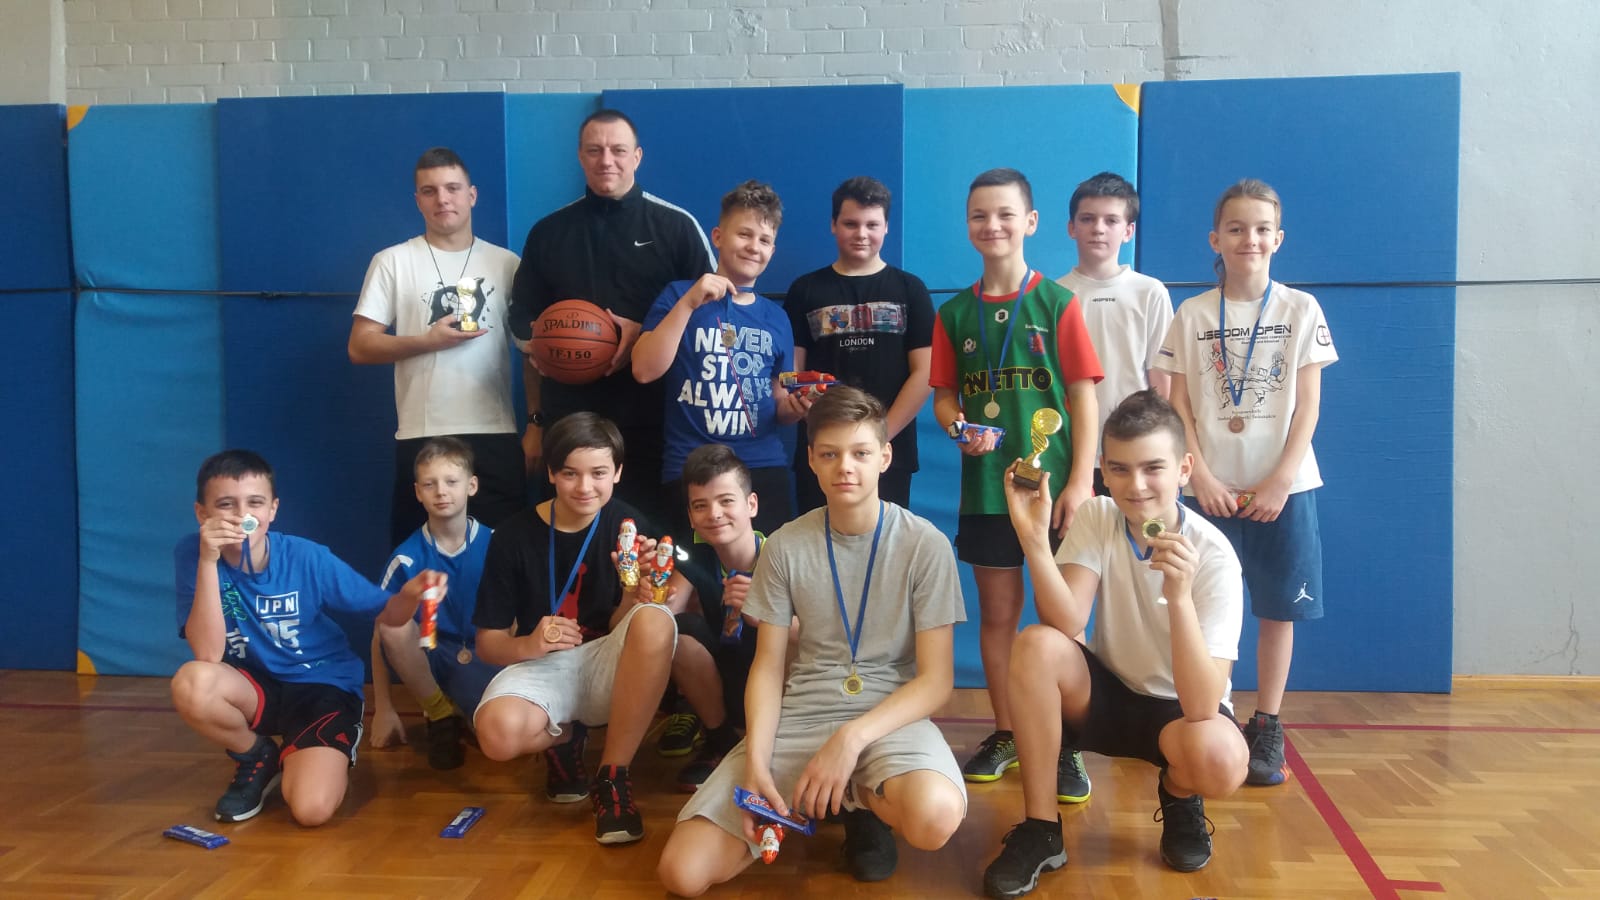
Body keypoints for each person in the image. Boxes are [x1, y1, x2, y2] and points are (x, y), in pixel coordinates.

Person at [657, 386, 967, 896]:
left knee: (934, 818)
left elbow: (936, 682)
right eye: (830, 454)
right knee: (682, 874)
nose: (845, 467)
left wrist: (850, 740)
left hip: (888, 718)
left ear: (885, 457)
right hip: (801, 715)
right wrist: (756, 764)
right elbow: (768, 667)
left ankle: (856, 798)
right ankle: (805, 799)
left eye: (861, 453)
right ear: (811, 460)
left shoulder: (925, 544)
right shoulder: (783, 546)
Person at [981, 390, 1248, 898]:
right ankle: (1041, 829)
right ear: (1103, 469)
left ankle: (1179, 795)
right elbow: (1066, 621)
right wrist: (1033, 539)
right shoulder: (1098, 516)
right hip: (1107, 697)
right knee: (1036, 644)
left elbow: (1200, 706)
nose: (1136, 485)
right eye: (1121, 469)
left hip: (1180, 712)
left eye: (1153, 468)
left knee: (1221, 759)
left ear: (1184, 469)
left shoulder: (1214, 557)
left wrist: (1179, 597)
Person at [1154, 178, 1337, 787]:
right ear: (1216, 239)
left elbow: (1308, 405)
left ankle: (1268, 722)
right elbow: (1178, 406)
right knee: (1209, 604)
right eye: (1236, 228)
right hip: (1210, 489)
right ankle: (1217, 712)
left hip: (1283, 488)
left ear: (1278, 239)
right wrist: (1201, 475)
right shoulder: (1193, 314)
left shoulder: (1300, 309)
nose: (1249, 239)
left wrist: (1281, 480)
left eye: (1261, 229)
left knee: (1278, 609)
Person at [928, 168, 1102, 796]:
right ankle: (1006, 732)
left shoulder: (1057, 304)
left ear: (1030, 222)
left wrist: (1081, 481)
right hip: (986, 489)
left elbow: (1084, 397)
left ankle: (1066, 746)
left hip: (1052, 492)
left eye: (1005, 214)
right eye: (980, 215)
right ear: (968, 225)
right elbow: (944, 398)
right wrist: (958, 428)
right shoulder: (953, 313)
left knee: (1064, 623)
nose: (992, 225)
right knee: (998, 616)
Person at [171, 450, 444, 826]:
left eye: (255, 502)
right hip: (255, 688)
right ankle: (257, 755)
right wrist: (207, 560)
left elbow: (390, 614)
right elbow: (208, 653)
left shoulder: (306, 557)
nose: (241, 515)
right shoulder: (192, 554)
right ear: (202, 514)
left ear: (273, 509)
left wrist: (411, 595)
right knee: (193, 682)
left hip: (321, 687)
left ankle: (320, 749)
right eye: (225, 504)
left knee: (311, 810)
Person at [470, 412, 679, 845]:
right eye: (570, 473)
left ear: (617, 472)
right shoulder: (512, 536)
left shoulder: (629, 527)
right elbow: (488, 644)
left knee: (656, 617)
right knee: (496, 736)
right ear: (550, 473)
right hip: (544, 666)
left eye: (598, 473)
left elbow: (628, 624)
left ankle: (613, 777)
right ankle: (563, 739)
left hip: (607, 662)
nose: (585, 487)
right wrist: (529, 644)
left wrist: (636, 595)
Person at [509, 109, 714, 532]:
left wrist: (644, 336)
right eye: (594, 150)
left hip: (655, 421)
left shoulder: (676, 227)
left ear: (637, 156)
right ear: (580, 156)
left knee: (650, 541)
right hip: (569, 418)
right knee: (572, 537)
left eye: (618, 150)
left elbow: (712, 319)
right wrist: (544, 345)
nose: (607, 160)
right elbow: (519, 320)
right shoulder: (548, 232)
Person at [348, 147, 526, 550]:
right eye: (429, 191)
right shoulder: (393, 261)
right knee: (423, 554)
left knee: (505, 554)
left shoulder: (506, 264)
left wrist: (536, 422)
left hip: (494, 431)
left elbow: (530, 350)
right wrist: (427, 342)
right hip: (422, 431)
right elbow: (360, 346)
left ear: (472, 195)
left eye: (452, 188)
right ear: (418, 200)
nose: (442, 199)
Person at [632, 179, 806, 541]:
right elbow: (644, 370)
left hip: (761, 467)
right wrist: (689, 303)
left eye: (764, 240)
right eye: (744, 234)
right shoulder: (678, 295)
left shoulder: (777, 318)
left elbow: (779, 404)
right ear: (718, 236)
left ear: (773, 250)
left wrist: (797, 407)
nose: (754, 247)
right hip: (691, 466)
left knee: (768, 570)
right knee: (691, 573)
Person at [784, 176, 935, 511]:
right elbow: (793, 373)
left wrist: (878, 437)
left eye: (872, 224)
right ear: (833, 224)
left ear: (886, 227)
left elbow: (925, 372)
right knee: (818, 539)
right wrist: (817, 422)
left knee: (887, 541)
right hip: (823, 451)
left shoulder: (910, 289)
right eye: (851, 224)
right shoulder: (805, 290)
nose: (862, 233)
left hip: (888, 452)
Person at [368, 437, 500, 770]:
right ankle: (440, 715)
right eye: (430, 484)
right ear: (418, 492)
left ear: (471, 486)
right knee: (392, 624)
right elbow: (380, 634)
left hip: (486, 654)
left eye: (451, 481)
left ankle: (467, 710)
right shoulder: (406, 558)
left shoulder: (498, 545)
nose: (441, 492)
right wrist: (384, 709)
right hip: (432, 657)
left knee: (497, 739)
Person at [647, 443, 768, 791]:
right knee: (677, 630)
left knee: (785, 637)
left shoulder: (781, 555)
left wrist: (765, 613)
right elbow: (663, 615)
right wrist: (643, 593)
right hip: (725, 683)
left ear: (751, 504)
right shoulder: (696, 558)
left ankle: (772, 742)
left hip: (777, 687)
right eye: (701, 505)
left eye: (726, 501)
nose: (714, 514)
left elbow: (816, 638)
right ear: (690, 516)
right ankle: (721, 741)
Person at [1057, 171, 1174, 491]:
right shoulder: (1053, 295)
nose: (1098, 228)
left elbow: (1162, 383)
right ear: (1071, 227)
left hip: (1134, 452)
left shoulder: (1150, 292)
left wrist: (1159, 447)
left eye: (1111, 220)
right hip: (1068, 454)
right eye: (1087, 219)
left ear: (1128, 231)